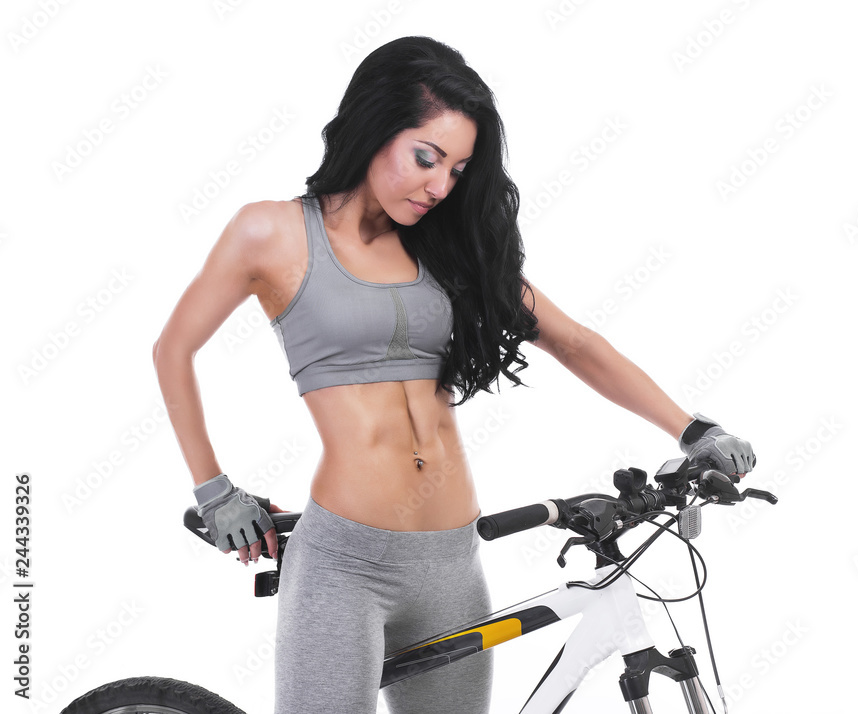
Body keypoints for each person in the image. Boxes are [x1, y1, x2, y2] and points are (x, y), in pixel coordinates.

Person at [151, 35, 755, 714]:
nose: (440, 186)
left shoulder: (451, 250)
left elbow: (575, 342)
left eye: (458, 169)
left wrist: (693, 429)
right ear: (376, 127)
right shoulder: (274, 233)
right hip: (344, 563)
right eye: (426, 158)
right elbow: (172, 350)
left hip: (452, 562)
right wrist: (214, 491)